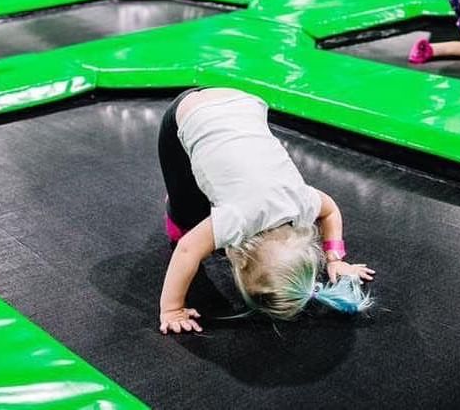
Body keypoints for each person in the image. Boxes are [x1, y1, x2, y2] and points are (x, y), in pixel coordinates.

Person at [157, 87, 374, 334]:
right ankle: (176, 211)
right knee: (186, 210)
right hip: (187, 111)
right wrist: (172, 309)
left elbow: (330, 210)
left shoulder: (301, 204)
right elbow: (187, 249)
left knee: (222, 180)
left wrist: (334, 259)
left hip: (242, 102)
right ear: (242, 264)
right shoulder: (238, 219)